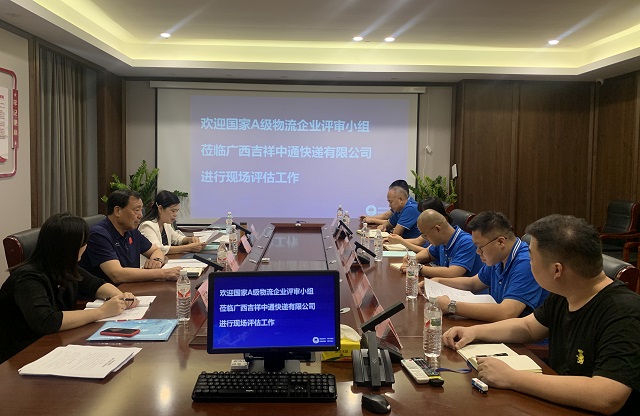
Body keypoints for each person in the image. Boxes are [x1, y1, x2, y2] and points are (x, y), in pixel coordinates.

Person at [442, 214, 640, 415]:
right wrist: (474, 332)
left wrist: (511, 377)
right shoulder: (566, 293)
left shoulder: (623, 312)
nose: (529, 263)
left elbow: (607, 396)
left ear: (557, 270)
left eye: (532, 258)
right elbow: (528, 327)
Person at [0, 213, 139, 363]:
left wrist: (120, 297)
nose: (86, 246)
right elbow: (47, 321)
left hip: (56, 343)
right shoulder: (28, 278)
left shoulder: (65, 267)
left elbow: (96, 285)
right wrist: (102, 312)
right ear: (69, 247)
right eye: (83, 243)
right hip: (23, 355)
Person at [430, 211, 547, 322]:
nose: (477, 252)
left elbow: (507, 312)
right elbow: (473, 283)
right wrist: (438, 281)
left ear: (501, 242)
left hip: (523, 335)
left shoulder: (526, 263)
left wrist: (451, 306)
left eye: (480, 247)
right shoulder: (499, 257)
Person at [79, 189, 182, 285]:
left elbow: (155, 250)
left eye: (141, 210)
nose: (141, 215)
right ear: (117, 211)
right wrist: (164, 273)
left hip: (131, 288)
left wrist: (157, 260)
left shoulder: (131, 230)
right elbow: (117, 274)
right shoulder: (98, 235)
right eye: (136, 210)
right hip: (108, 294)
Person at [407, 209, 483, 278]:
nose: (425, 239)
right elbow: (428, 253)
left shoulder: (467, 242)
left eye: (425, 235)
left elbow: (453, 272)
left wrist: (419, 268)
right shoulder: (442, 240)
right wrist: (412, 260)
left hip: (465, 289)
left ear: (437, 229)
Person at [139, 190, 206, 256]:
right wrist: (189, 248)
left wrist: (190, 239)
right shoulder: (147, 226)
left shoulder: (165, 224)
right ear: (160, 209)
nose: (175, 214)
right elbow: (157, 249)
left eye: (177, 211)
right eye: (173, 211)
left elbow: (177, 238)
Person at [386, 196, 451, 253]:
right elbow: (418, 241)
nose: (421, 216)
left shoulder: (440, 229)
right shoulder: (429, 225)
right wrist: (396, 240)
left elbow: (428, 252)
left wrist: (401, 241)